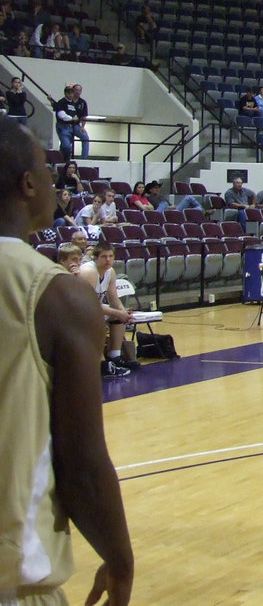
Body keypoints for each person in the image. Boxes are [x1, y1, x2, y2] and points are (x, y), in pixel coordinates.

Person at [0, 118, 134, 605]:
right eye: (46, 171)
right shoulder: (56, 296)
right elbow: (81, 462)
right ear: (27, 183)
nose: (55, 185)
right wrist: (119, 558)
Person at [78, 240, 140, 376]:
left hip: (93, 309)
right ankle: (102, 365)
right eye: (104, 256)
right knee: (98, 318)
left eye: (111, 256)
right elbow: (91, 304)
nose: (108, 260)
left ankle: (115, 356)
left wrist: (123, 312)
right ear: (95, 258)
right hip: (77, 312)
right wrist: (118, 313)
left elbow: (113, 298)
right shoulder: (89, 271)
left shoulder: (110, 271)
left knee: (120, 316)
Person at [54, 83, 89, 160]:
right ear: (65, 93)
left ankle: (84, 158)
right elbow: (60, 113)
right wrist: (71, 118)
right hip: (64, 125)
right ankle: (64, 159)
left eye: (71, 93)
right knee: (67, 146)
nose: (71, 95)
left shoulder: (78, 103)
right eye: (69, 93)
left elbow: (83, 116)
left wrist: (82, 126)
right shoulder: (62, 102)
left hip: (74, 125)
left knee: (84, 137)